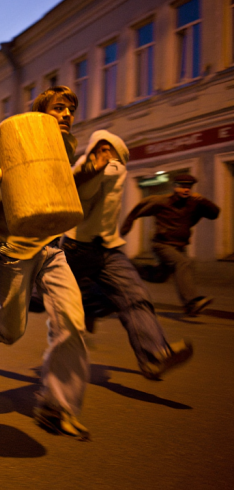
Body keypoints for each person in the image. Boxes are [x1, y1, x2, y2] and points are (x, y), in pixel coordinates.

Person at [0, 86, 91, 440]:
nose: (67, 114)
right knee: (11, 329)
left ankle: (57, 407)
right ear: (41, 112)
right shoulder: (16, 136)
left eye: (71, 109)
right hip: (13, 247)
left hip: (52, 247)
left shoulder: (65, 147)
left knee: (72, 320)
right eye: (60, 108)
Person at [61, 131, 193, 379]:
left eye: (110, 152)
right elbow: (81, 186)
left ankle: (154, 355)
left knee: (136, 296)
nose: (107, 157)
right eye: (102, 149)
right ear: (94, 150)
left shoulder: (115, 168)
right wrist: (91, 169)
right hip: (75, 249)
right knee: (38, 299)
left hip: (108, 249)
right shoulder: (88, 167)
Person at [120, 173, 220, 316]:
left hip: (180, 246)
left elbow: (214, 214)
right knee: (183, 263)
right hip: (162, 244)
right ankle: (191, 302)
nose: (186, 190)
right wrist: (122, 232)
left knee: (159, 276)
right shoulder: (161, 201)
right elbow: (137, 211)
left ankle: (129, 266)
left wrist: (203, 200)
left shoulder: (194, 203)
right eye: (182, 187)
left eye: (189, 187)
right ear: (174, 187)